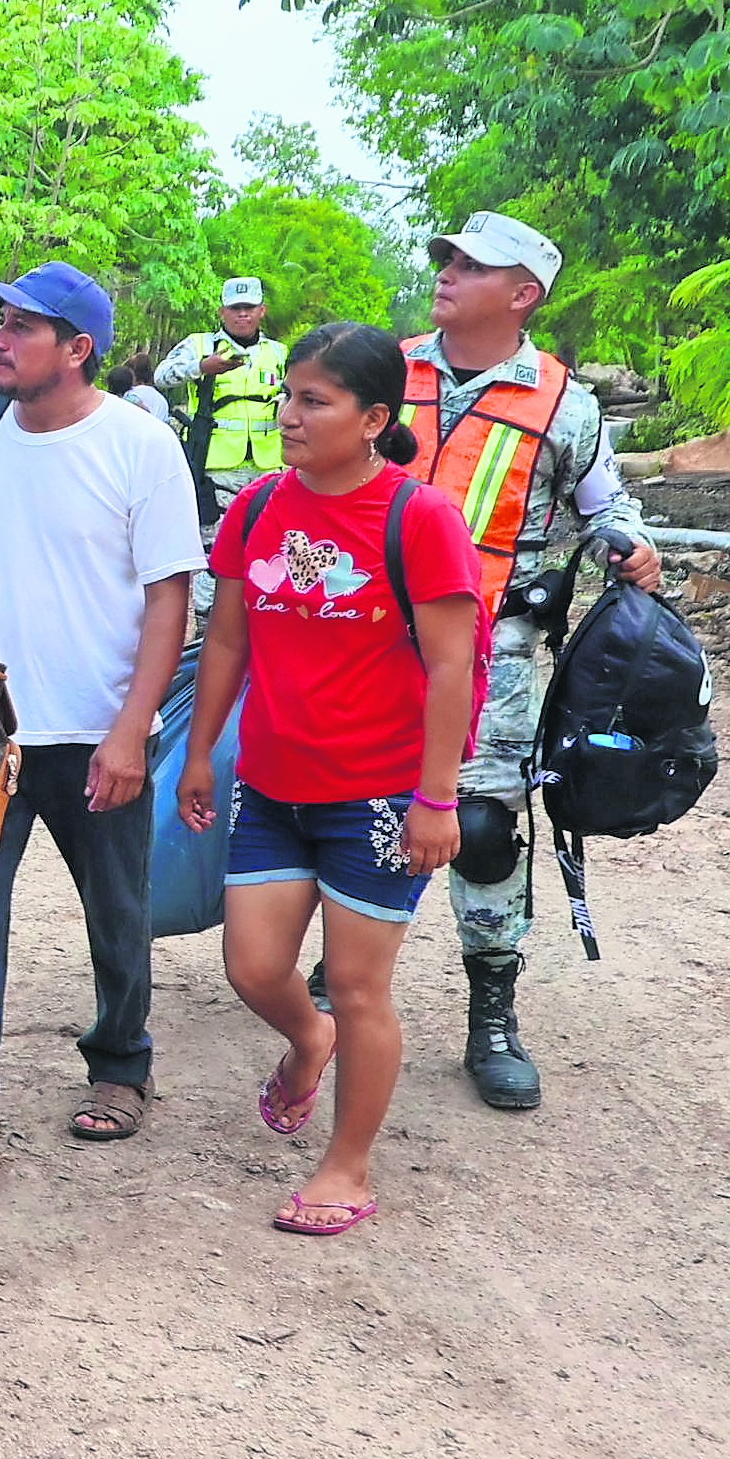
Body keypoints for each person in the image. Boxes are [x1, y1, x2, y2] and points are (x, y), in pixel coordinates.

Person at [172, 324, 482, 1237]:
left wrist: (437, 798)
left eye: (315, 401)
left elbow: (453, 667)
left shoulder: (418, 518)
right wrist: (198, 751)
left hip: (380, 798)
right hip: (271, 782)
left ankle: (346, 1166)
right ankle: (308, 1044)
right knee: (253, 965)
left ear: (374, 418)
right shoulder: (258, 505)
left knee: (357, 985)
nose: (289, 416)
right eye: (287, 397)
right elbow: (226, 638)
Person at [0, 264, 203, 1162]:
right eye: (0, 321)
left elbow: (170, 596)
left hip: (96, 730)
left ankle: (121, 1063)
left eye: (21, 328)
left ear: (78, 351)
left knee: (117, 907)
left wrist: (130, 729)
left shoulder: (139, 447)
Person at [404, 215, 658, 1111]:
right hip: (364, 641)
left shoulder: (564, 403)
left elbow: (607, 504)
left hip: (494, 654)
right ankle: (339, 965)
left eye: (474, 267)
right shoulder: (381, 370)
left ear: (523, 296)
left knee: (477, 830)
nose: (448, 274)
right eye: (447, 260)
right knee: (337, 802)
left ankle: (493, 1016)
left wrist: (629, 543)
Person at [156, 276, 287, 513]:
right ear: (221, 312)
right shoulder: (200, 345)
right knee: (218, 541)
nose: (243, 314)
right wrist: (201, 367)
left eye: (249, 307)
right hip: (217, 467)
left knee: (266, 540)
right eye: (235, 308)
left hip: (268, 465)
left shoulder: (278, 353)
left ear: (262, 311)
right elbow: (161, 376)